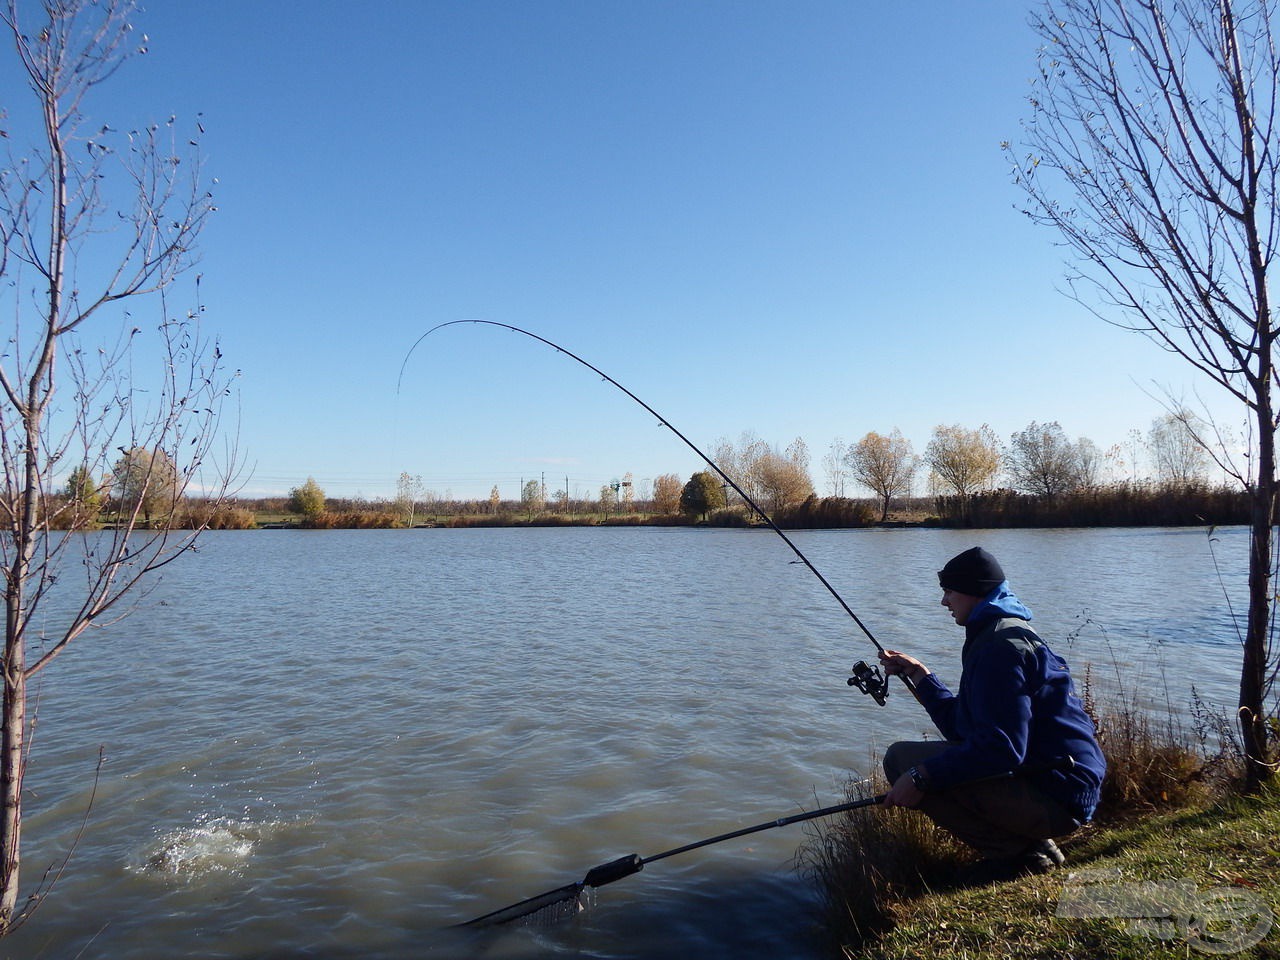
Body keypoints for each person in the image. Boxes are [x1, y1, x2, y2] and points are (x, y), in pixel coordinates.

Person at [878, 546, 1106, 884]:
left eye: (949, 591)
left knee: (903, 761)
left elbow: (1001, 748)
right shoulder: (999, 632)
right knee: (916, 762)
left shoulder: (999, 648)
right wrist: (921, 677)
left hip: (1060, 795)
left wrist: (922, 776)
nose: (944, 602)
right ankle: (1034, 847)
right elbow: (966, 729)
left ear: (973, 591)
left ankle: (1018, 857)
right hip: (1056, 785)